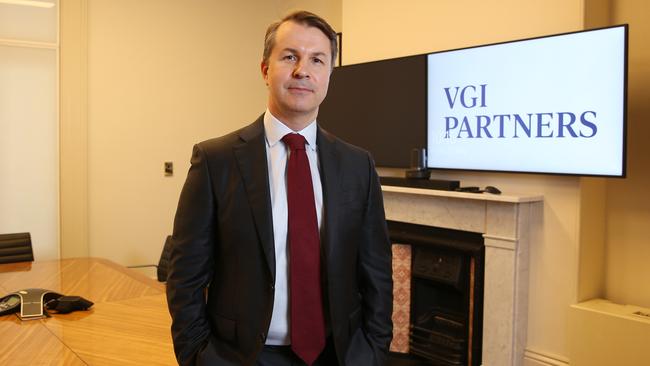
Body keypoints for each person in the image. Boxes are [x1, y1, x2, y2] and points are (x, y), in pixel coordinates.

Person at [166, 10, 392, 366]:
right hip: (243, 357)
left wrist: (374, 351)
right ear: (265, 69)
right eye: (290, 56)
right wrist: (198, 356)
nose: (303, 70)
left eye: (317, 59)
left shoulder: (357, 165)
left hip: (340, 354)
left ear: (329, 74)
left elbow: (377, 270)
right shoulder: (216, 160)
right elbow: (186, 274)